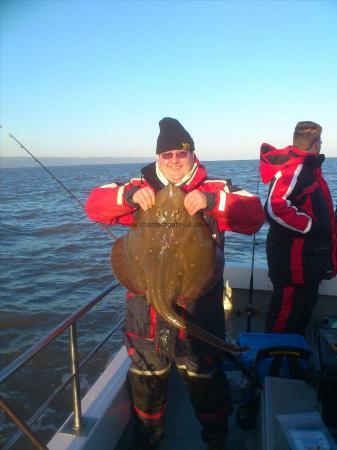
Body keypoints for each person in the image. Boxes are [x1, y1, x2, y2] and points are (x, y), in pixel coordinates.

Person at [86, 117, 264, 449]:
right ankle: (150, 438)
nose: (173, 161)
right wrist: (128, 198)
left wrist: (213, 204)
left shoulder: (215, 188)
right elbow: (94, 204)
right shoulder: (139, 188)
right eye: (165, 154)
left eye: (180, 153)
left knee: (204, 379)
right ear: (157, 158)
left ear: (192, 155)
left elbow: (255, 216)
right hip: (144, 309)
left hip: (198, 308)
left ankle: (216, 438)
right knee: (146, 378)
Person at [260, 121, 337, 336]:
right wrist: (310, 225)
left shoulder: (309, 168)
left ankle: (291, 362)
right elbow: (275, 206)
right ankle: (274, 365)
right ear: (315, 144)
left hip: (309, 262)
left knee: (301, 315)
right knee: (285, 316)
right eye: (320, 141)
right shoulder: (296, 169)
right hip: (294, 263)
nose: (321, 145)